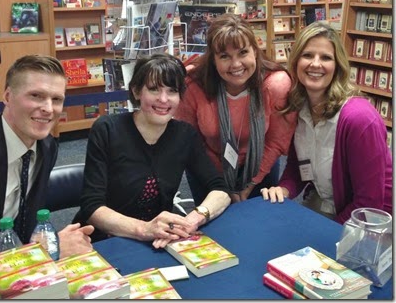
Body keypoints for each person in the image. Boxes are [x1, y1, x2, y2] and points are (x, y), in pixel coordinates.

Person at [73, 53, 231, 248]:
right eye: (154, 89)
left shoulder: (185, 135)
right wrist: (144, 230)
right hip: (103, 241)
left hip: (156, 240)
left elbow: (220, 189)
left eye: (172, 91)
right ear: (137, 91)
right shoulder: (107, 129)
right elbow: (92, 207)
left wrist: (191, 221)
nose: (163, 99)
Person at [0, 55, 94, 286]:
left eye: (57, 99)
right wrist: (39, 254)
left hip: (20, 277)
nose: (48, 109)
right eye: (36, 95)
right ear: (7, 96)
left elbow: (25, 222)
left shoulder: (46, 147)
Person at [261, 22, 392, 224]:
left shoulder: (359, 119)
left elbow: (369, 204)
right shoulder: (299, 108)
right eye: (307, 55)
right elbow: (298, 166)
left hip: (372, 221)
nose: (315, 64)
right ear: (296, 62)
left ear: (337, 66)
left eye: (326, 57)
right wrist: (284, 189)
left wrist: (326, 233)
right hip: (327, 203)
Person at [175, 13, 297, 203]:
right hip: (208, 167)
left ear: (255, 51)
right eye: (224, 56)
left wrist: (249, 186)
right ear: (213, 59)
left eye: (243, 52)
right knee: (212, 229)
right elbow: (192, 142)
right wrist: (223, 186)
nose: (236, 64)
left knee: (259, 225)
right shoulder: (192, 85)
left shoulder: (276, 84)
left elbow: (276, 141)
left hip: (260, 166)